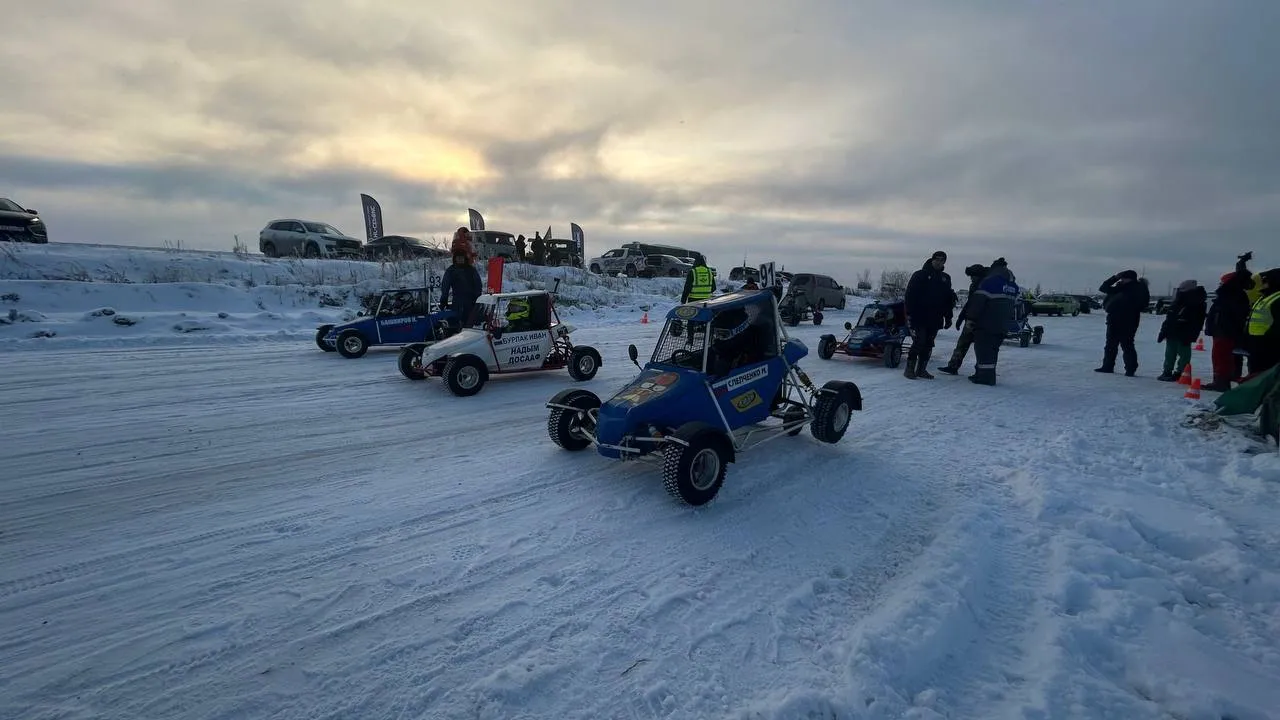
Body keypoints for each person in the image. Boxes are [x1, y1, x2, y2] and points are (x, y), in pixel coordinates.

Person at [962, 258, 1020, 385]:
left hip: (986, 323)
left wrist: (970, 319)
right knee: (993, 350)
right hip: (1002, 325)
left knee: (983, 350)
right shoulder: (1013, 286)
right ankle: (985, 374)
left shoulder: (990, 282)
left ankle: (985, 378)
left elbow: (978, 303)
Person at [1204, 252, 1256, 391]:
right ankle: (1221, 379)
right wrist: (1241, 263)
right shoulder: (1232, 293)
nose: (1220, 284)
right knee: (1221, 356)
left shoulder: (1232, 293)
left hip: (1225, 331)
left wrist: (1241, 264)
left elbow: (1239, 276)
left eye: (1222, 281)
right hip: (1222, 330)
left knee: (1221, 357)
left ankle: (1221, 382)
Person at [903, 250, 956, 379]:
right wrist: (909, 313)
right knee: (919, 341)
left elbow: (948, 300)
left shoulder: (945, 278)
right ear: (932, 260)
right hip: (919, 316)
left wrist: (948, 317)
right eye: (936, 259)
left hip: (935, 317)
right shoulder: (920, 275)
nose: (939, 262)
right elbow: (909, 295)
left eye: (942, 260)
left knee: (928, 344)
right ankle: (909, 369)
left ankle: (922, 369)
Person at [1095, 269, 1151, 376]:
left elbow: (1143, 304)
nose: (1121, 280)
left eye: (1123, 278)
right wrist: (1114, 278)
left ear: (1129, 279)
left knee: (1127, 344)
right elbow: (1103, 288)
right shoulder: (1120, 287)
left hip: (1128, 320)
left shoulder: (1139, 288)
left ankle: (1130, 369)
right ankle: (1107, 366)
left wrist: (1127, 308)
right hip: (1113, 318)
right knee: (1110, 344)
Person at [937, 262, 988, 375]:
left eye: (973, 276)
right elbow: (970, 303)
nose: (971, 279)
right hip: (971, 320)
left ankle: (981, 371)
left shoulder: (987, 286)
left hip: (983, 322)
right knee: (962, 344)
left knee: (981, 348)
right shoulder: (974, 286)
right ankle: (953, 366)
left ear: (979, 275)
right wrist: (961, 317)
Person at [1156, 279, 1208, 381]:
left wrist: (1192, 334)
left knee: (1183, 354)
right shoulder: (1180, 300)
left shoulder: (1196, 302)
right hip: (1173, 331)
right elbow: (1170, 317)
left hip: (1184, 332)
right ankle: (1169, 371)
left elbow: (1197, 321)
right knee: (1171, 353)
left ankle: (1181, 373)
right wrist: (1163, 331)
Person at [1244, 267, 1280, 376]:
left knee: (1265, 373)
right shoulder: (1264, 296)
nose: (1263, 283)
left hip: (1268, 344)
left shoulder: (1277, 298)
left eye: (1265, 281)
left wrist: (1267, 339)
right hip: (1256, 342)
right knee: (1255, 372)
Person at [439, 251, 483, 327]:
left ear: (465, 259)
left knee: (470, 324)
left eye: (461, 258)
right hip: (457, 301)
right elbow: (445, 286)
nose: (460, 260)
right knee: (455, 323)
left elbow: (478, 285)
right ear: (455, 259)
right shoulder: (451, 270)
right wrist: (443, 300)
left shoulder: (471, 270)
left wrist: (477, 299)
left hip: (471, 301)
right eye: (458, 258)